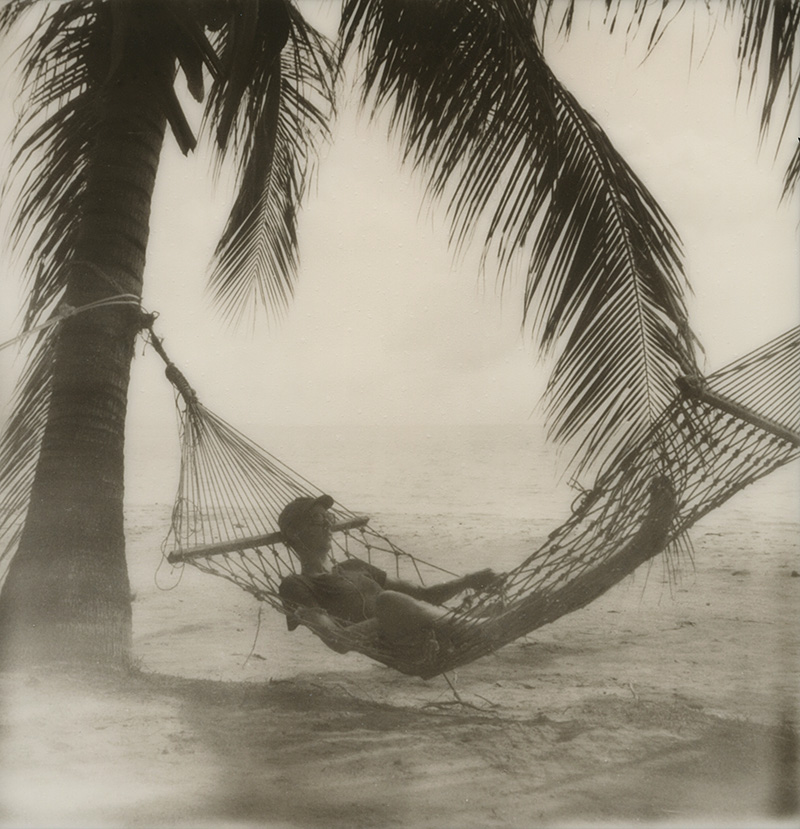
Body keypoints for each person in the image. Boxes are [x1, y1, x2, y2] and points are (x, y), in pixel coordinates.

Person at [277, 494, 498, 653]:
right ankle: (479, 627)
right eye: (317, 519)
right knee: (388, 600)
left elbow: (425, 595)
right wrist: (389, 617)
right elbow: (337, 640)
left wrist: (467, 581)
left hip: (430, 629)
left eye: (330, 518)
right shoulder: (297, 584)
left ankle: (471, 623)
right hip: (404, 645)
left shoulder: (353, 565)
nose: (328, 524)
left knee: (392, 601)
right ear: (294, 534)